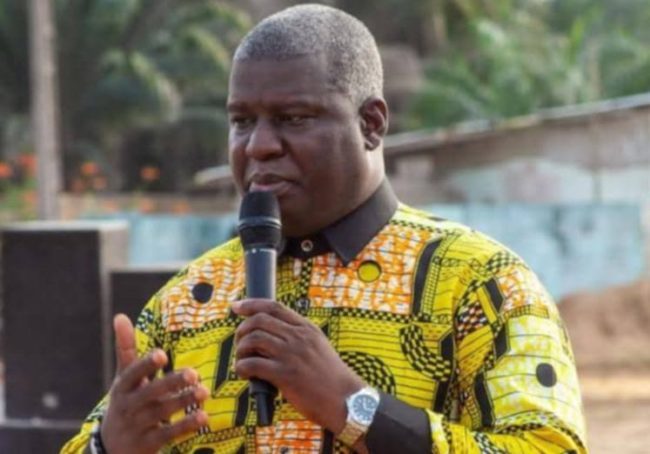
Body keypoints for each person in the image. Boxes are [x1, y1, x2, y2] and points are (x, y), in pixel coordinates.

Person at [63, 4, 587, 453]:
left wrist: (351, 404)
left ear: (371, 124)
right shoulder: (185, 304)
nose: (259, 145)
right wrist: (107, 445)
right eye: (242, 121)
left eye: (293, 118)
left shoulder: (480, 284)